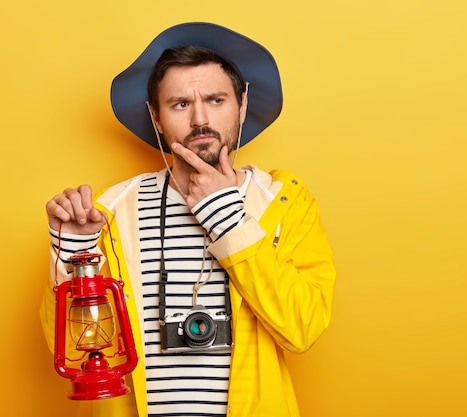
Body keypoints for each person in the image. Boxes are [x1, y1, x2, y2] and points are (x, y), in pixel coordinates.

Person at [40, 22, 336, 417]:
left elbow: (303, 328)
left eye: (216, 100)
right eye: (180, 104)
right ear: (156, 117)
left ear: (243, 105)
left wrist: (230, 222)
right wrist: (74, 255)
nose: (200, 119)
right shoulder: (112, 209)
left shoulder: (282, 202)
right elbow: (72, 351)